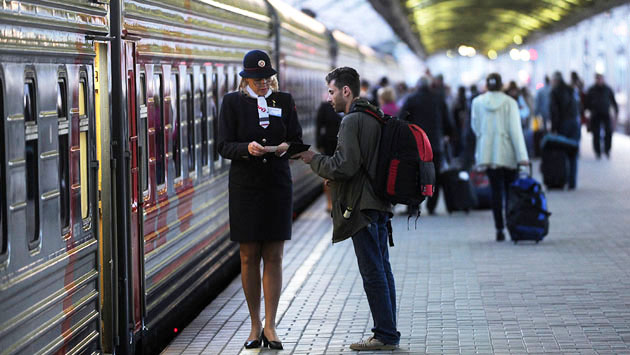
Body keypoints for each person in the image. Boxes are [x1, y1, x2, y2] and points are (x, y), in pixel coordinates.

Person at [296, 67, 400, 351]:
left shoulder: (352, 121)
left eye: (331, 92)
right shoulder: (373, 114)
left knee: (372, 272)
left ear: (346, 91)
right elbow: (361, 163)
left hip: (361, 207)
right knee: (382, 269)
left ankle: (385, 335)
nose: (328, 98)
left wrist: (313, 159)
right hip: (378, 203)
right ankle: (388, 331)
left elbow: (346, 165)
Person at [217, 49, 303, 350]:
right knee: (248, 256)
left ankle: (271, 325)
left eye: (267, 78)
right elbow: (223, 145)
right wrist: (245, 148)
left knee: (275, 256)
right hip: (246, 188)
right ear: (246, 79)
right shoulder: (232, 103)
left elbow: (296, 140)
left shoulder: (285, 101)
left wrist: (284, 147)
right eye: (257, 79)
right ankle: (254, 325)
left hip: (277, 185)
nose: (263, 83)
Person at [471, 73, 529, 241]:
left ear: (487, 86)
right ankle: (512, 226)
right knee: (511, 192)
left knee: (496, 192)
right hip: (508, 153)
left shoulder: (477, 102)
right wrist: (522, 157)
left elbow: (475, 127)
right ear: (502, 85)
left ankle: (499, 229)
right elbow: (515, 131)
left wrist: (485, 141)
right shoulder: (510, 103)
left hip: (488, 153)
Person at [400, 76, 452, 215]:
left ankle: (413, 206)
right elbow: (447, 120)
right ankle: (432, 205)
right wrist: (448, 134)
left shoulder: (411, 99)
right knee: (435, 175)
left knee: (414, 174)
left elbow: (401, 119)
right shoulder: (438, 99)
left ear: (417, 86)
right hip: (435, 143)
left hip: (416, 143)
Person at [550, 71, 580, 189]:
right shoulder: (570, 89)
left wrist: (554, 129)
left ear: (555, 81)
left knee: (562, 153)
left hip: (563, 125)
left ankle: (563, 180)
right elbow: (577, 106)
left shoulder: (555, 91)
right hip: (574, 124)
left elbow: (554, 112)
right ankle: (572, 183)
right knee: (573, 152)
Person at [315, 100, 343, 211]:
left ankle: (341, 200)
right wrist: (319, 144)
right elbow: (318, 126)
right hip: (329, 145)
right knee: (328, 175)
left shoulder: (348, 105)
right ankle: (329, 203)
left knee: (342, 174)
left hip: (344, 145)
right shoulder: (325, 106)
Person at [585, 73, 618, 159]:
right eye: (598, 79)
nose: (599, 80)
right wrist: (587, 110)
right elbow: (586, 102)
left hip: (605, 113)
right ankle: (597, 151)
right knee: (596, 133)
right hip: (595, 114)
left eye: (601, 79)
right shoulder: (591, 89)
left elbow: (613, 101)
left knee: (608, 131)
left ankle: (607, 150)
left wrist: (616, 110)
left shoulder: (608, 89)